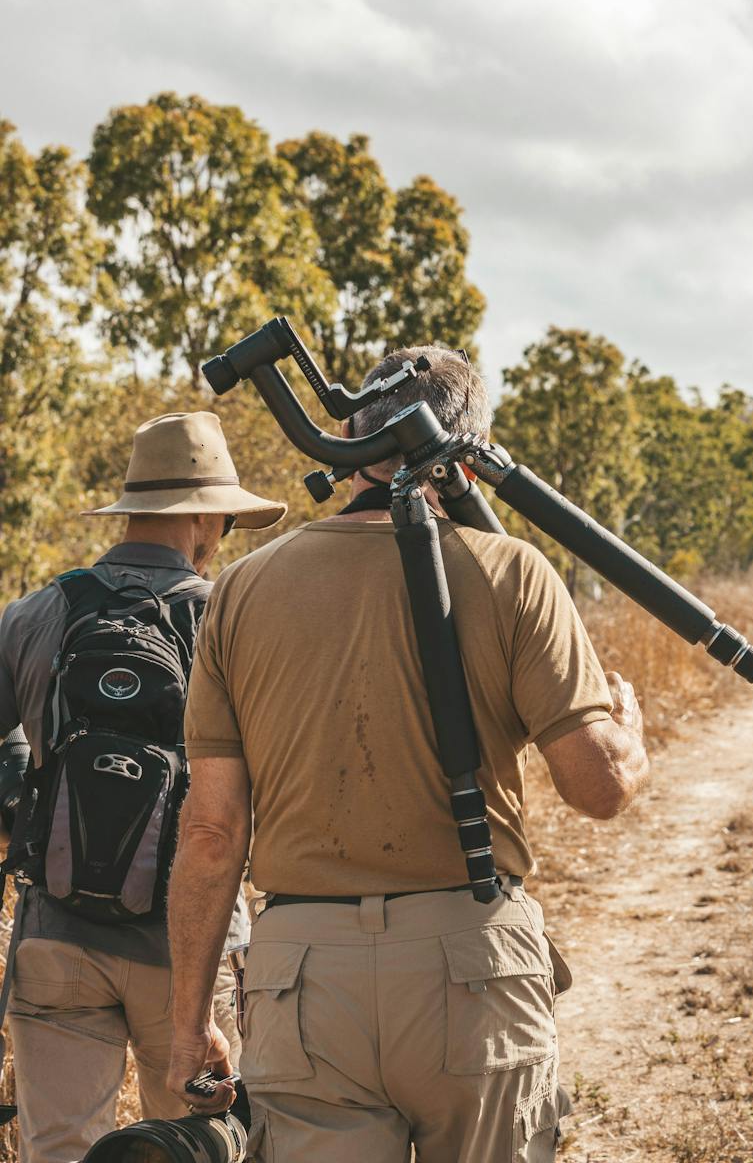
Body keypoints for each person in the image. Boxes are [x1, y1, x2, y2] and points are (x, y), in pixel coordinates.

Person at [162, 346, 650, 1162]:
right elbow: (596, 787)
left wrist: (188, 1024)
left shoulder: (243, 588)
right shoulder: (512, 573)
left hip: (303, 978)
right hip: (469, 963)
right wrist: (629, 736)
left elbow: (212, 834)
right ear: (466, 450)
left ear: (350, 436)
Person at [0, 411, 283, 1161]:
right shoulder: (234, 620)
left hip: (55, 936)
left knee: (58, 1148)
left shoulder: (35, 614)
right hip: (189, 952)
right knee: (196, 1147)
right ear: (203, 513)